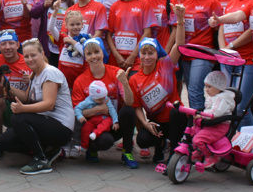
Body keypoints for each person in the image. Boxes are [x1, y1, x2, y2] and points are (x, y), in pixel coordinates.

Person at [0, 39, 74, 175]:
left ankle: (41, 160)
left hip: (61, 126)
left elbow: (48, 103)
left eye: (33, 55)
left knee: (19, 119)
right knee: (4, 143)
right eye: (27, 56)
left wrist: (23, 109)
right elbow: (27, 98)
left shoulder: (49, 72)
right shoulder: (35, 74)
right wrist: (7, 86)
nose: (29, 59)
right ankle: (49, 150)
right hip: (44, 122)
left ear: (42, 54)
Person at [208, 0, 253, 127]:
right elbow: (223, 27)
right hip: (228, 60)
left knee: (241, 107)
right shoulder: (232, 1)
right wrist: (224, 51)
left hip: (247, 61)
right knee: (229, 104)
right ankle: (234, 140)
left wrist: (231, 46)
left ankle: (249, 144)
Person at [70, 37, 136, 166]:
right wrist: (98, 109)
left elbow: (130, 102)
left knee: (128, 111)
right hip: (94, 125)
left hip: (115, 122)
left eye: (96, 52)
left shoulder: (116, 73)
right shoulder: (80, 80)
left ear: (103, 53)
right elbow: (78, 112)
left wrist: (125, 83)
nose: (94, 56)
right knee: (105, 142)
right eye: (89, 54)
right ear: (85, 57)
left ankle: (127, 152)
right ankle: (92, 149)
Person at [127, 36, 187, 171]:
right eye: (144, 53)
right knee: (142, 141)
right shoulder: (134, 79)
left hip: (175, 119)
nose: (147, 57)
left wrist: (181, 20)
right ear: (139, 55)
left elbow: (180, 43)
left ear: (157, 54)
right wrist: (145, 124)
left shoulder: (166, 65)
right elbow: (136, 107)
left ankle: (173, 155)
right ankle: (160, 145)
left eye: (151, 53)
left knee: (177, 111)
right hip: (157, 122)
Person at [180, 0, 222, 110]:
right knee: (192, 91)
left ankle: (199, 123)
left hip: (204, 53)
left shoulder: (211, 2)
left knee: (194, 89)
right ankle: (197, 121)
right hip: (187, 53)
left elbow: (220, 27)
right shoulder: (185, 2)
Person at [107, 0, 157, 71]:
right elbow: (109, 34)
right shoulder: (115, 6)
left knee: (133, 85)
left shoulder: (144, 4)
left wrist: (133, 56)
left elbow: (147, 32)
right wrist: (116, 55)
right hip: (117, 58)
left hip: (137, 57)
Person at [0, 30, 32, 137]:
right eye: (3, 44)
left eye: (11, 43)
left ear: (18, 45)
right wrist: (1, 87)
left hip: (27, 106)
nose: (7, 47)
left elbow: (29, 98)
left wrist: (31, 80)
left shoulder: (28, 61)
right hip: (7, 104)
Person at [191, 71, 237, 169]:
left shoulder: (221, 99)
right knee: (193, 131)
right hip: (212, 124)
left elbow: (215, 112)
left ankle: (210, 156)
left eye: (209, 87)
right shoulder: (214, 97)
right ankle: (200, 150)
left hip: (219, 126)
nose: (206, 90)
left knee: (198, 139)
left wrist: (202, 116)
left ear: (219, 87)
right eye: (206, 86)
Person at [30, 0, 74, 65]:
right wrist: (44, 5)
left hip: (66, 44)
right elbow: (33, 14)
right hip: (48, 47)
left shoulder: (71, 2)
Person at [74, 80, 119, 155]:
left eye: (103, 98)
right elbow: (77, 108)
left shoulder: (106, 100)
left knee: (107, 122)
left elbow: (112, 111)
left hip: (104, 117)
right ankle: (84, 146)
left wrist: (115, 121)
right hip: (93, 119)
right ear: (93, 96)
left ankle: (95, 133)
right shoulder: (87, 101)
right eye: (99, 99)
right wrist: (80, 116)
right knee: (85, 128)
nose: (102, 100)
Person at [57, 9, 91, 91]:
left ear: (82, 24)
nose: (75, 27)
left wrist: (72, 41)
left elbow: (86, 53)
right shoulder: (62, 38)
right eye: (72, 24)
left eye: (78, 24)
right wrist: (55, 11)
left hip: (79, 81)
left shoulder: (85, 39)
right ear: (66, 25)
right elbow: (51, 28)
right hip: (63, 80)